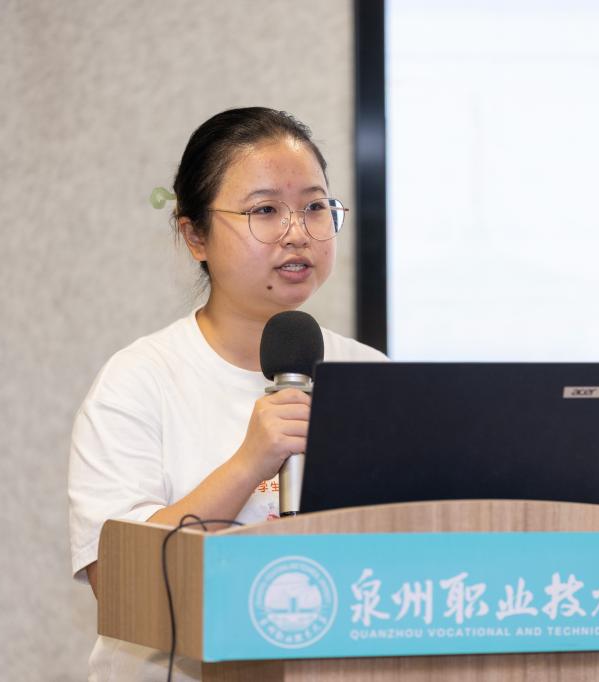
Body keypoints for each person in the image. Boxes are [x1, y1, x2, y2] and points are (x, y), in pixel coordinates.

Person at [67, 107, 387, 680]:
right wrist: (249, 462)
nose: (297, 232)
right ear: (196, 236)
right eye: (265, 210)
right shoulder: (139, 380)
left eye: (315, 207)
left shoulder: (372, 376)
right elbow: (115, 583)